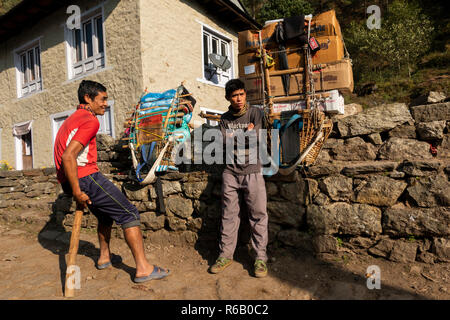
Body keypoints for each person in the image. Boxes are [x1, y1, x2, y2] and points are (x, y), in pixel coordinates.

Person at [54, 80, 170, 283]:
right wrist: (77, 190)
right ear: (87, 99)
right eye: (102, 99)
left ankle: (104, 257)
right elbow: (68, 156)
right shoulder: (90, 120)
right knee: (129, 213)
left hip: (72, 178)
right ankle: (143, 268)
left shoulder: (72, 119)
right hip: (84, 178)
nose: (106, 104)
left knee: (106, 217)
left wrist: (71, 187)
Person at [210, 79, 269, 278]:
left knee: (258, 215)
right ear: (228, 98)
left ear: (246, 95)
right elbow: (222, 144)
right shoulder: (224, 118)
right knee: (228, 215)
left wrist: (235, 137)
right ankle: (225, 255)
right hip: (230, 173)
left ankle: (260, 258)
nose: (239, 99)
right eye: (235, 95)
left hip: (253, 170)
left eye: (242, 94)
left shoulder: (256, 113)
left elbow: (257, 140)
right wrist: (245, 132)